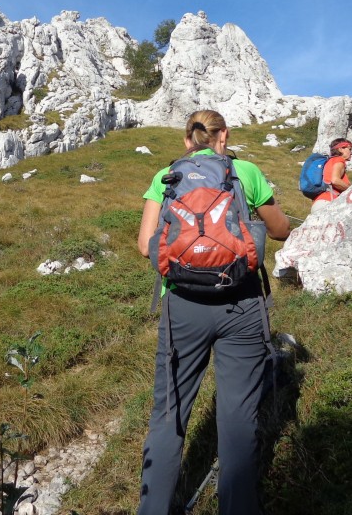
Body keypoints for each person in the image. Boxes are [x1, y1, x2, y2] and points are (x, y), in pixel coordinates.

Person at [135, 109, 291, 515]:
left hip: (182, 307)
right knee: (238, 418)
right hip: (240, 303)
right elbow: (280, 230)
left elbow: (145, 244)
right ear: (225, 135)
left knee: (169, 414)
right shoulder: (246, 172)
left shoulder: (165, 176)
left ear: (189, 140)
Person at [311, 138, 352, 210]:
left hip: (319, 202)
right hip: (328, 202)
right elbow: (335, 180)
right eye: (350, 149)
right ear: (341, 149)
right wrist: (351, 190)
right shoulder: (339, 160)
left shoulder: (330, 161)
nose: (351, 153)